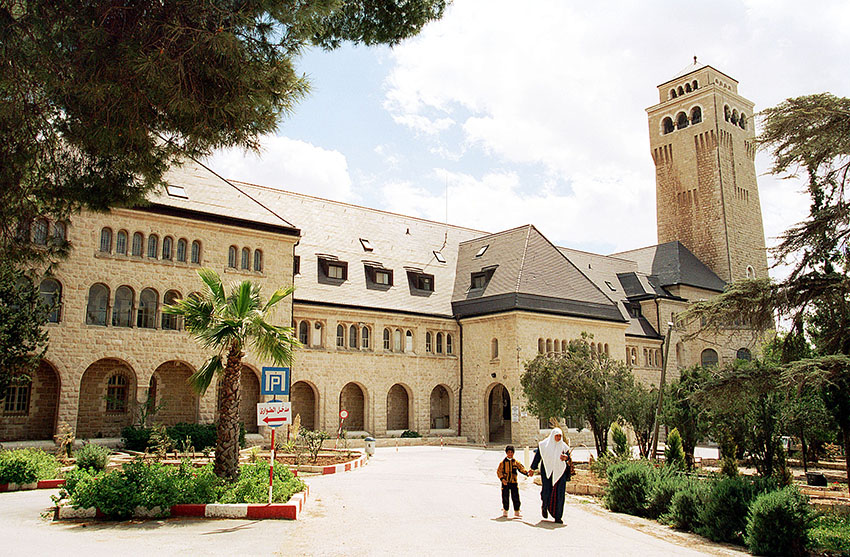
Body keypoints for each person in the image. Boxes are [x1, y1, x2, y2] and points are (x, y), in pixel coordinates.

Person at [530, 428, 573, 524]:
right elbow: (538, 457)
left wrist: (566, 458)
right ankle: (545, 506)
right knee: (546, 491)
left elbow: (568, 457)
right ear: (553, 435)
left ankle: (558, 516)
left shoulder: (563, 447)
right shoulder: (543, 445)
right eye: (556, 436)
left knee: (560, 494)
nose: (558, 438)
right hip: (547, 471)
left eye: (560, 436)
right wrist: (532, 469)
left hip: (560, 472)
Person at [496, 444, 533, 518]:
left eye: (511, 452)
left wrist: (527, 473)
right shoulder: (502, 463)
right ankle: (505, 510)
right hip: (505, 482)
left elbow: (521, 469)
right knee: (505, 497)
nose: (510, 454)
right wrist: (502, 479)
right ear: (506, 453)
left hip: (514, 482)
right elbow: (499, 472)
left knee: (515, 497)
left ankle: (517, 511)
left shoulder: (516, 462)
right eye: (509, 452)